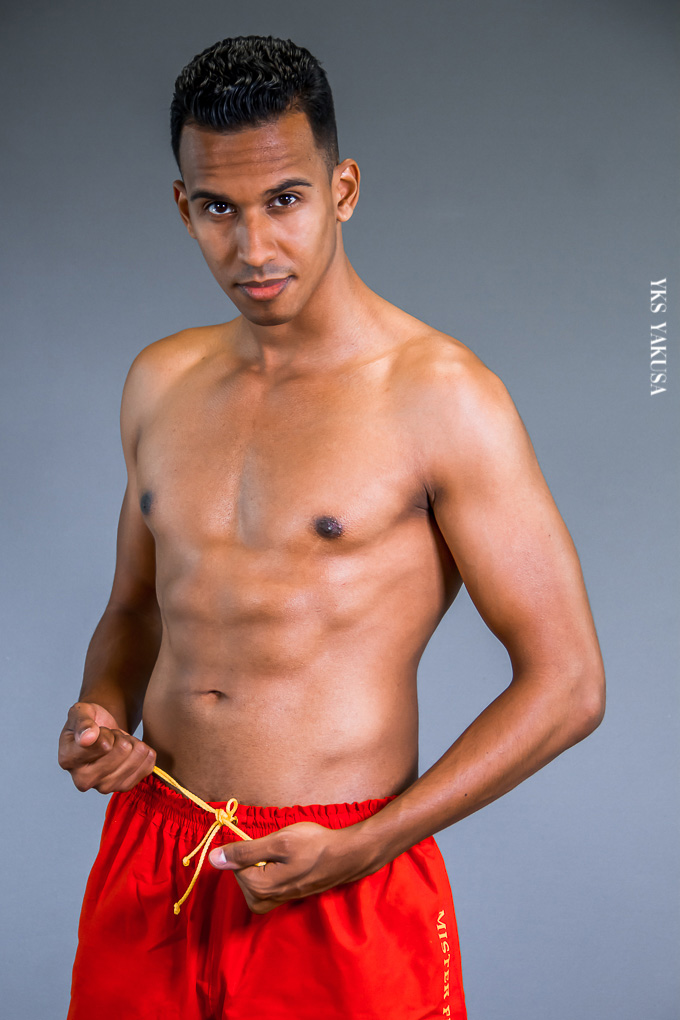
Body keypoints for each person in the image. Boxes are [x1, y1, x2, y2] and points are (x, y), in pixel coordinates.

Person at [58, 34, 605, 1020]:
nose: (253, 248)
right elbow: (135, 608)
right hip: (155, 850)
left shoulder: (442, 396)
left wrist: (370, 844)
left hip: (341, 868)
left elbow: (568, 684)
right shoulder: (159, 381)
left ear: (342, 189)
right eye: (219, 209)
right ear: (183, 207)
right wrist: (100, 710)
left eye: (285, 200)